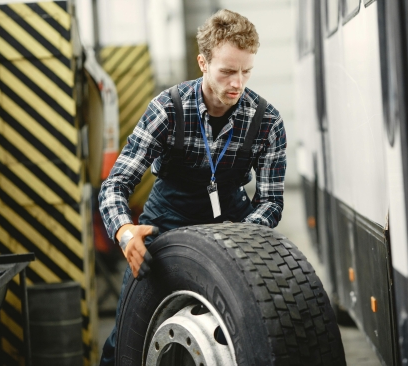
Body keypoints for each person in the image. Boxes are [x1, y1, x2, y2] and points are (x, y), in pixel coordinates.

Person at [98, 8, 287, 365]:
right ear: (202, 62)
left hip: (235, 225)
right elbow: (115, 184)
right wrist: (125, 232)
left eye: (246, 71)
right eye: (228, 71)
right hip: (166, 222)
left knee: (260, 332)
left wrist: (242, 235)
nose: (238, 83)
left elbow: (271, 202)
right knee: (124, 340)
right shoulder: (167, 110)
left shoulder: (268, 122)